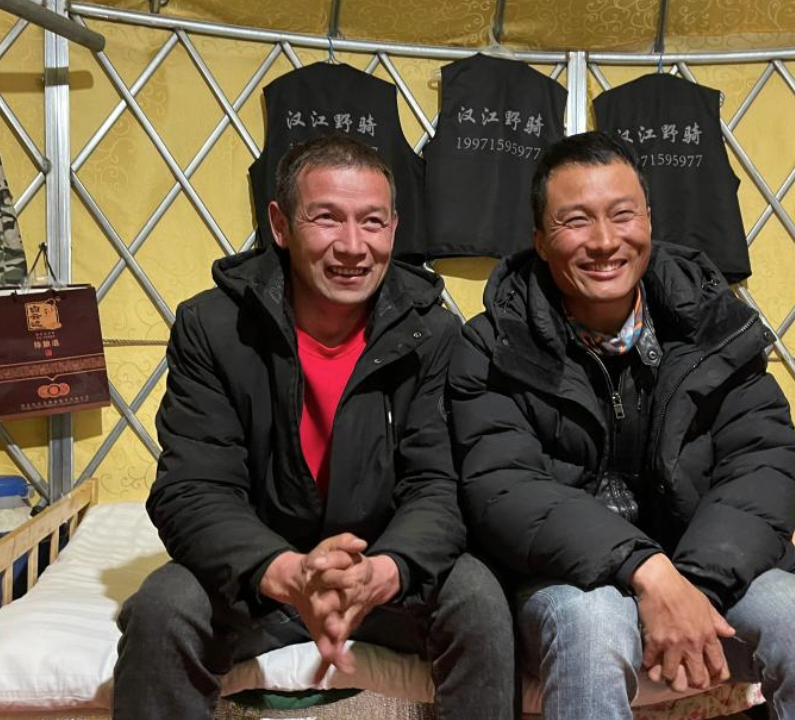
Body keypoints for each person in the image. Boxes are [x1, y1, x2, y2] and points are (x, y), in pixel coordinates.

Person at [447, 131, 795, 720]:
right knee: (591, 626)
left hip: (707, 565)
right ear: (540, 241)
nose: (603, 242)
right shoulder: (493, 345)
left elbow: (764, 460)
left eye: (623, 215)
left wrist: (692, 587)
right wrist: (647, 573)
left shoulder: (713, 325)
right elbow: (502, 488)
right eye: (575, 222)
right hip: (571, 575)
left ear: (649, 218)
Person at [113, 134, 513, 720]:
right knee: (162, 609)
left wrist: (386, 570)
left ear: (394, 229)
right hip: (258, 575)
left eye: (372, 222)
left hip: (380, 573)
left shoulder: (432, 333)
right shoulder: (215, 327)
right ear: (280, 224)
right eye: (326, 218)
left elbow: (438, 485)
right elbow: (192, 489)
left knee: (479, 598)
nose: (352, 246)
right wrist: (287, 573)